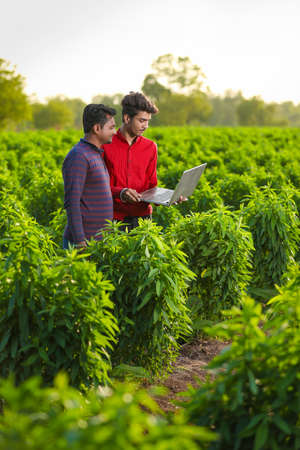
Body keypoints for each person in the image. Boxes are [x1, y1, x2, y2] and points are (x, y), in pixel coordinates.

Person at [102, 91, 159, 231]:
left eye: (148, 121)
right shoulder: (105, 144)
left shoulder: (151, 147)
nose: (146, 126)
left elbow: (152, 184)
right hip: (114, 220)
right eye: (142, 120)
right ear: (127, 118)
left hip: (143, 219)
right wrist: (121, 192)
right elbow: (97, 186)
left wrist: (169, 198)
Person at [62, 104, 116, 249]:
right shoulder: (79, 156)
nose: (115, 132)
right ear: (97, 128)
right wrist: (80, 240)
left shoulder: (95, 153)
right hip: (83, 243)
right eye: (111, 128)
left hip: (97, 242)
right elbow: (72, 202)